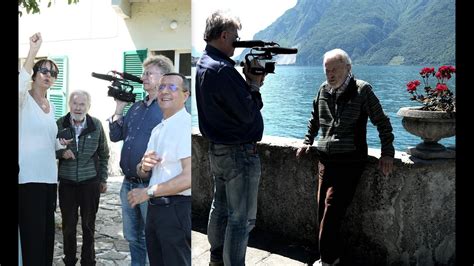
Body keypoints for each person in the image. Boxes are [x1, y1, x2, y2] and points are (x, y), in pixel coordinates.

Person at [296, 48, 394, 266]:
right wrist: (307, 141)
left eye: (335, 70)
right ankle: (334, 257)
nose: (330, 74)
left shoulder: (362, 90)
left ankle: (327, 261)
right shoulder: (323, 90)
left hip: (349, 162)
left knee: (330, 214)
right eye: (327, 70)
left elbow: (382, 122)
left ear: (348, 68)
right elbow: (314, 119)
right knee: (323, 212)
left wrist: (387, 152)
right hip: (325, 162)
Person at [195, 10, 266, 266]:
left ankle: (216, 259)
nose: (238, 41)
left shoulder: (205, 64)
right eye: (236, 36)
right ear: (224, 35)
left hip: (219, 150)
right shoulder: (222, 70)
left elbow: (229, 107)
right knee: (242, 219)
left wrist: (246, 83)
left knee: (221, 208)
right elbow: (247, 112)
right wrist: (255, 85)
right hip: (238, 152)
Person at [108, 55, 173, 266]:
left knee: (151, 238)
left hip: (151, 185)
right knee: (132, 237)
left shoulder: (167, 110)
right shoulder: (135, 107)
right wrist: (118, 109)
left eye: (149, 73)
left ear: (163, 78)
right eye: (144, 73)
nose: (143, 77)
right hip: (128, 183)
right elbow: (116, 135)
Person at [127, 72, 192, 266]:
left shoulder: (185, 125)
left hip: (177, 210)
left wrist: (147, 192)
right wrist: (143, 166)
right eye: (161, 87)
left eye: (172, 87)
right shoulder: (159, 129)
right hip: (157, 210)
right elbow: (143, 170)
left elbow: (189, 177)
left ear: (185, 95)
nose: (164, 91)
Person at [19, 32, 69, 265]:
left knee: (48, 234)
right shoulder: (23, 99)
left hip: (49, 178)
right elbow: (21, 79)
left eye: (54, 73)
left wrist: (60, 145)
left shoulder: (50, 106)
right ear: (35, 75)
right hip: (28, 179)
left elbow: (49, 142)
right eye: (44, 71)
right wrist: (32, 51)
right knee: (32, 236)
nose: (49, 75)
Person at [56, 90, 110, 266]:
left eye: (82, 104)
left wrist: (102, 179)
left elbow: (104, 154)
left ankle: (88, 261)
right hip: (67, 183)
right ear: (69, 105)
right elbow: (50, 147)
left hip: (90, 183)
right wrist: (62, 152)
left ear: (88, 106)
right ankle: (69, 261)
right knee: (68, 227)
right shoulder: (59, 124)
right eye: (75, 103)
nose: (78, 108)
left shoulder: (96, 124)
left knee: (88, 226)